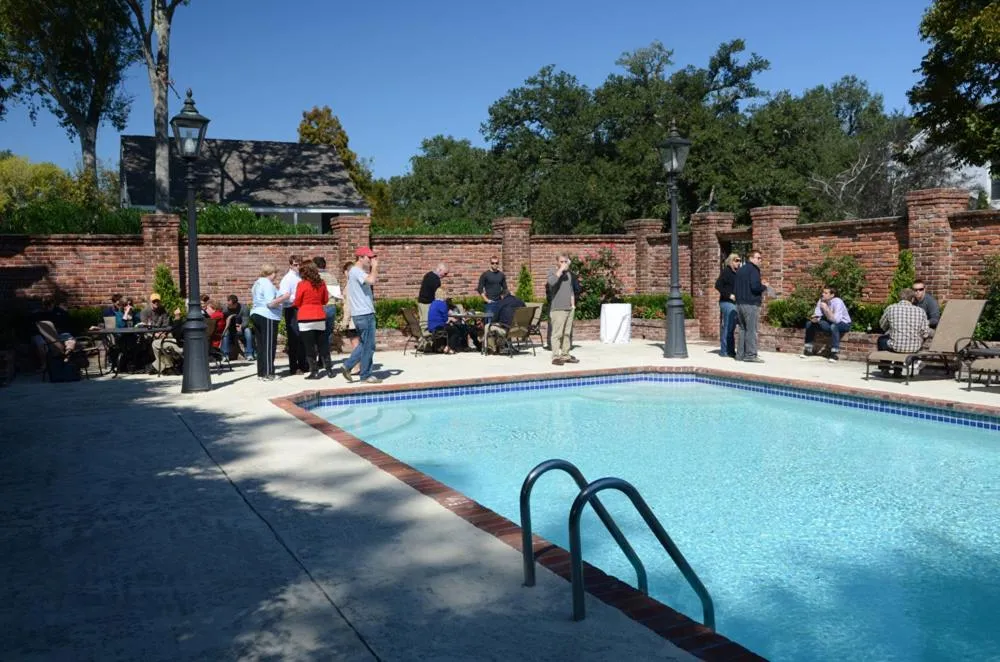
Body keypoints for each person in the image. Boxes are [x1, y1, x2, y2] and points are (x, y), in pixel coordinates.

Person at [340, 247, 381, 384]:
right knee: (369, 346)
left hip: (362, 313)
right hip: (364, 314)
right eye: (369, 257)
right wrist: (375, 267)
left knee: (364, 344)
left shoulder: (357, 272)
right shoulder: (356, 271)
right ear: (361, 257)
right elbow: (372, 280)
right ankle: (365, 375)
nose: (371, 260)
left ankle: (347, 366)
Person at [876, 287, 931, 377]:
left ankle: (885, 369)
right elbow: (925, 333)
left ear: (899, 298)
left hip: (896, 346)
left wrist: (892, 329)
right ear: (912, 299)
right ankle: (898, 371)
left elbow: (882, 325)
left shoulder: (891, 308)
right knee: (901, 340)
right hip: (914, 347)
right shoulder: (921, 311)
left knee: (881, 340)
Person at [293, 261, 334, 379]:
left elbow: (297, 301)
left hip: (305, 316)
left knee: (309, 346)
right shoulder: (322, 283)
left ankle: (314, 371)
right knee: (323, 344)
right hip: (319, 315)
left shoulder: (302, 284)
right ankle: (329, 369)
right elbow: (325, 300)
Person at [250, 263, 290, 381]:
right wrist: (284, 297)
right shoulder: (267, 284)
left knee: (261, 345)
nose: (276, 276)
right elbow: (270, 303)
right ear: (272, 273)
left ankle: (261, 373)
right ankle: (269, 373)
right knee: (269, 345)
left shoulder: (257, 283)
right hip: (267, 315)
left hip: (257, 313)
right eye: (275, 273)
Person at [733, 249, 769, 363]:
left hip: (739, 304)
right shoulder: (754, 269)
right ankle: (751, 355)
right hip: (750, 304)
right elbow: (755, 287)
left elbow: (735, 288)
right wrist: (764, 286)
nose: (760, 260)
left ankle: (740, 355)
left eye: (761, 258)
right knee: (751, 330)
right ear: (751, 258)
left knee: (742, 329)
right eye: (758, 258)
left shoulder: (740, 270)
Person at [800, 286, 852, 362]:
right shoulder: (821, 300)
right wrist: (815, 318)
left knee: (834, 326)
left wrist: (826, 308)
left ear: (832, 295)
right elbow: (817, 314)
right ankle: (808, 350)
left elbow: (836, 320)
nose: (823, 294)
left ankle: (834, 354)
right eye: (823, 292)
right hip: (829, 322)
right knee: (809, 324)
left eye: (825, 293)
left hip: (843, 323)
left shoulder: (838, 302)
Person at [278, 254, 309, 375]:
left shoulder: (301, 276)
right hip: (292, 309)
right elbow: (284, 296)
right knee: (294, 338)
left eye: (300, 264)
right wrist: (297, 298)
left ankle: (303, 364)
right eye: (295, 265)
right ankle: (294, 367)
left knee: (302, 337)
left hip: (301, 308)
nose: (298, 267)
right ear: (290, 265)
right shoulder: (287, 278)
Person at [546, 254, 578, 365]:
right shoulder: (552, 272)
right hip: (558, 309)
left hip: (569, 308)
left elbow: (571, 290)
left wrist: (573, 305)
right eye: (561, 261)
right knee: (557, 334)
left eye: (565, 261)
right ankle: (555, 357)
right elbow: (552, 282)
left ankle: (565, 355)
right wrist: (560, 270)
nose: (564, 263)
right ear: (557, 262)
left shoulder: (568, 274)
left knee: (567, 333)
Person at [714, 254, 740, 358]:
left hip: (734, 303)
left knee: (732, 327)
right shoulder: (726, 272)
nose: (738, 262)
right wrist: (729, 295)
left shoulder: (736, 273)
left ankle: (731, 350)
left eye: (739, 260)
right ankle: (724, 351)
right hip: (726, 302)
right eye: (736, 260)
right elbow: (718, 285)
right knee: (728, 326)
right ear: (730, 261)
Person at [338, 260, 361, 375]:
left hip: (353, 320)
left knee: (355, 344)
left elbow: (348, 306)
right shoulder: (359, 284)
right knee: (360, 344)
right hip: (361, 318)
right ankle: (361, 366)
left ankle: (357, 366)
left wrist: (344, 322)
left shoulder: (349, 285)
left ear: (347, 272)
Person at [313, 256, 341, 349]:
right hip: (331, 306)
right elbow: (337, 294)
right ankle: (326, 354)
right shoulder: (332, 277)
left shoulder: (315, 278)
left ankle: (318, 353)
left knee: (317, 332)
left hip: (320, 306)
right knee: (328, 333)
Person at [427, 287, 462, 354]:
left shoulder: (433, 303)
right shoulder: (442, 303)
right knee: (455, 330)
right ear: (443, 294)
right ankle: (449, 348)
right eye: (446, 294)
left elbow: (439, 315)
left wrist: (448, 318)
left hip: (431, 326)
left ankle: (445, 347)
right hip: (438, 327)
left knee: (451, 328)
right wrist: (451, 319)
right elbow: (445, 319)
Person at [220, 295, 254, 361]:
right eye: (228, 303)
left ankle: (249, 354)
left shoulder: (244, 308)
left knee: (248, 331)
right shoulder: (225, 309)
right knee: (225, 333)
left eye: (230, 305)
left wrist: (242, 326)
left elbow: (246, 321)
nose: (228, 305)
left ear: (235, 304)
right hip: (229, 328)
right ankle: (225, 355)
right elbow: (222, 321)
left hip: (241, 328)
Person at [417, 263, 448, 331]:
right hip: (426, 304)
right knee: (425, 324)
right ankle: (426, 337)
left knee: (422, 322)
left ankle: (423, 336)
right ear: (440, 270)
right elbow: (438, 295)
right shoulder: (436, 280)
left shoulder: (428, 274)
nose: (445, 275)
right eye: (445, 273)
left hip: (421, 302)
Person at [477, 256, 507, 322]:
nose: (495, 264)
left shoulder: (501, 275)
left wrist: (502, 298)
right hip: (489, 303)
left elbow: (505, 288)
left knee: (499, 322)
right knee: (488, 322)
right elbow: (479, 289)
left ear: (498, 263)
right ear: (490, 263)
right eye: (493, 263)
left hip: (499, 302)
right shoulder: (485, 274)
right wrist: (486, 300)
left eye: (496, 263)